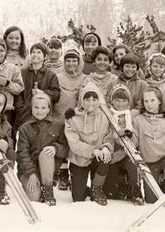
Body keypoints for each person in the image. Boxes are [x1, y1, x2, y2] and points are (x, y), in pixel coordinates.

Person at [64, 83, 114, 205]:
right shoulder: (72, 117)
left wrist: (107, 147)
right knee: (78, 198)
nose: (90, 103)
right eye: (87, 99)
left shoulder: (105, 115)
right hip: (79, 159)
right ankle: (82, 188)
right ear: (82, 99)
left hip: (98, 159)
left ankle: (96, 188)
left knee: (106, 157)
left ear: (99, 100)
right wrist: (92, 150)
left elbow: (109, 135)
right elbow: (74, 143)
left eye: (94, 99)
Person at [17, 93, 68, 206]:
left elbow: (65, 149)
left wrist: (56, 148)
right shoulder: (24, 128)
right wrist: (31, 174)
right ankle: (33, 184)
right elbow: (22, 153)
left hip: (48, 169)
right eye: (36, 107)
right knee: (34, 198)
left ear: (49, 109)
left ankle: (48, 190)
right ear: (31, 108)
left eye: (43, 107)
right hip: (30, 170)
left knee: (46, 153)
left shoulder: (58, 125)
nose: (39, 111)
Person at [103, 84, 144, 205]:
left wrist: (130, 137)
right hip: (112, 150)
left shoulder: (132, 115)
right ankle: (120, 187)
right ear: (112, 100)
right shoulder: (106, 114)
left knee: (133, 162)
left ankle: (135, 188)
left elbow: (136, 138)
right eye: (117, 100)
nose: (120, 104)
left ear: (128, 102)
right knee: (110, 193)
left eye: (124, 100)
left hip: (127, 151)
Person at [53, 48, 87, 190]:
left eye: (74, 60)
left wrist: (77, 112)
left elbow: (85, 98)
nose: (71, 63)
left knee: (73, 146)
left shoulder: (85, 78)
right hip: (58, 115)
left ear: (79, 62)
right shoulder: (58, 76)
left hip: (75, 117)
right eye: (68, 60)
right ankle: (62, 174)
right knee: (61, 144)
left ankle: (74, 176)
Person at [14, 42, 60, 129]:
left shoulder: (50, 75)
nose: (35, 54)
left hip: (42, 114)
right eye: (33, 52)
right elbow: (18, 93)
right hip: (23, 115)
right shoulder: (22, 73)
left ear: (45, 56)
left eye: (39, 52)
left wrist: (43, 93)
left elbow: (56, 94)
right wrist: (21, 109)